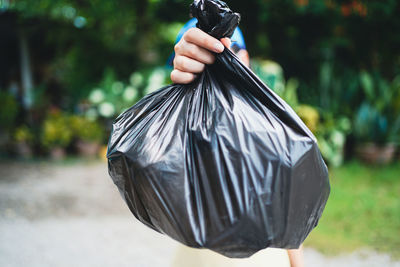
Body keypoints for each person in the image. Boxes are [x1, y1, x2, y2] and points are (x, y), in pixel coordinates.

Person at [170, 19, 305, 267]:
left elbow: (288, 209)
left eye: (232, 52)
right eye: (209, 54)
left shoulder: (269, 120)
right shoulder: (189, 124)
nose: (222, 60)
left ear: (246, 57)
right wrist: (187, 80)